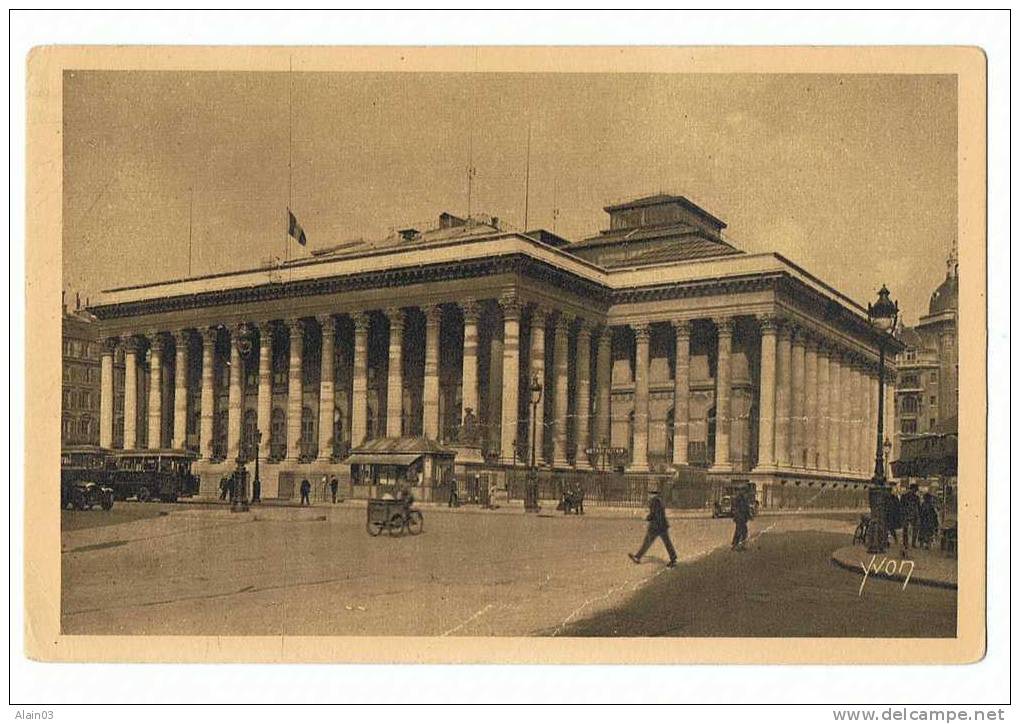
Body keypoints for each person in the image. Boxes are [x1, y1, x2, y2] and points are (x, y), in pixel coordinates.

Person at [629, 488, 677, 568]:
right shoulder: (658, 501)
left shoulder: (654, 502)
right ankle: (673, 558)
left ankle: (638, 557)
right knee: (665, 542)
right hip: (661, 525)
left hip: (656, 526)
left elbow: (654, 514)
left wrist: (647, 518)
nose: (648, 496)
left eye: (649, 494)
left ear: (652, 494)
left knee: (648, 542)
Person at [900, 484, 921, 550]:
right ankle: (910, 543)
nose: (915, 491)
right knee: (910, 529)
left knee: (908, 529)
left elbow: (901, 506)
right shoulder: (914, 497)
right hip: (910, 514)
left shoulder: (905, 496)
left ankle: (908, 543)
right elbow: (918, 507)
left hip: (910, 514)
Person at [731, 486, 752, 551]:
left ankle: (739, 545)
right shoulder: (739, 499)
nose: (747, 494)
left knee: (742, 531)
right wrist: (741, 517)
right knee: (740, 531)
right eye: (746, 493)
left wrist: (749, 516)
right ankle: (735, 545)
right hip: (740, 518)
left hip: (742, 518)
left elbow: (746, 509)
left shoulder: (743, 499)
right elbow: (739, 509)